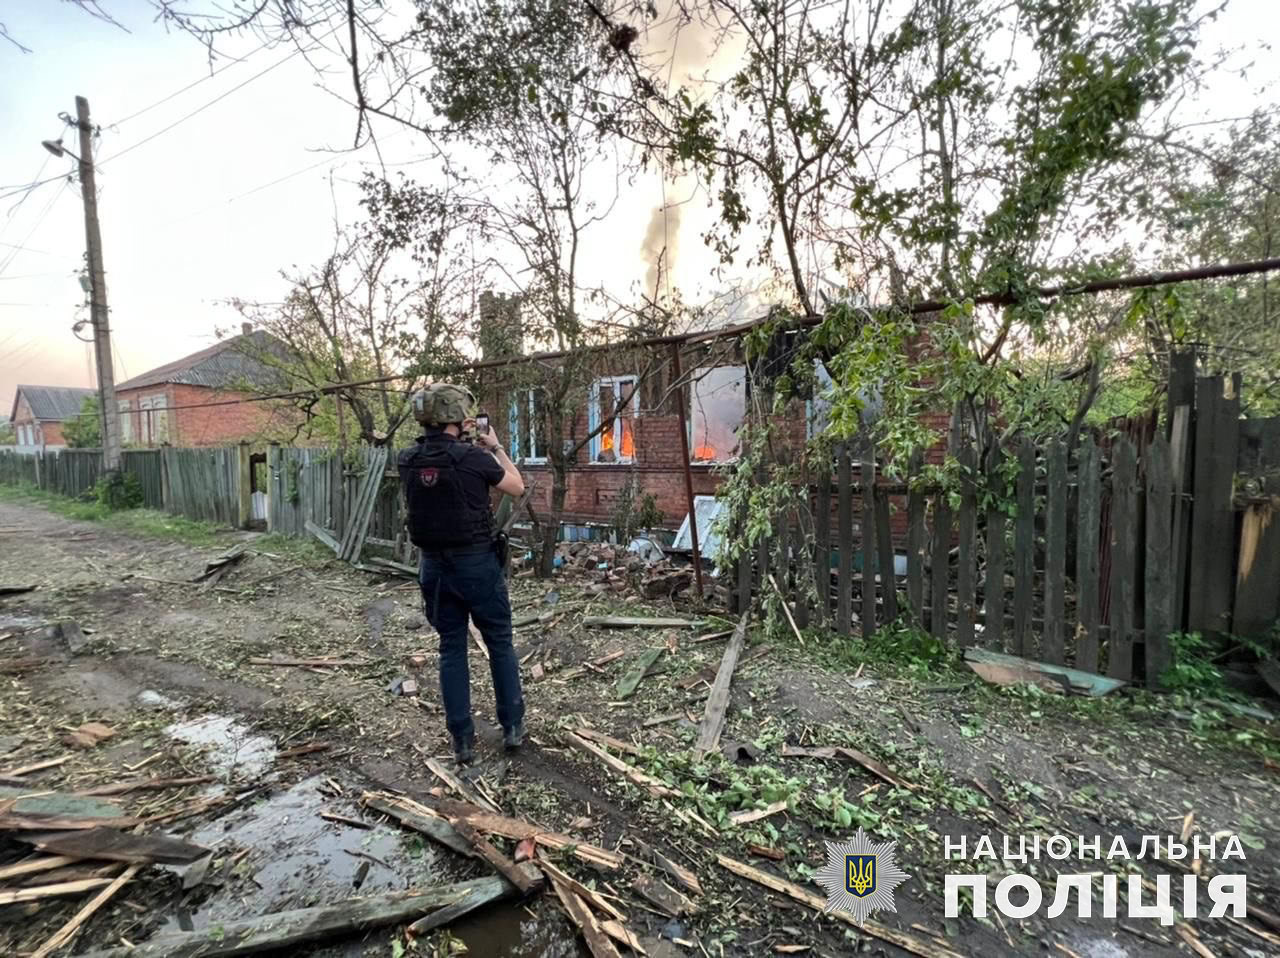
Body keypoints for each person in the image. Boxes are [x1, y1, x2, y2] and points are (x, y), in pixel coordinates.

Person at [399, 383, 526, 765]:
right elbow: (516, 487)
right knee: (499, 643)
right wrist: (496, 447)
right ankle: (513, 728)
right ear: (457, 416)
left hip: (434, 567)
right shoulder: (474, 457)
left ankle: (463, 741)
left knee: (451, 649)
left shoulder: (406, 459)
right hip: (477, 564)